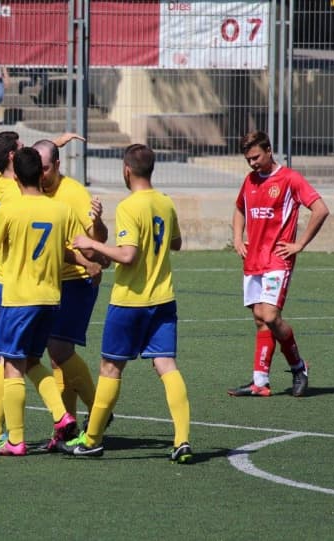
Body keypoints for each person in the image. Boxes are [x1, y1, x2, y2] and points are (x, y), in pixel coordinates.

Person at [60, 143, 193, 464]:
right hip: (163, 299)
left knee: (110, 368)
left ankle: (92, 440)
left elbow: (128, 255)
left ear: (127, 170)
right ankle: (182, 439)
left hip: (130, 302)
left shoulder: (130, 206)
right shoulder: (165, 202)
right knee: (166, 365)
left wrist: (91, 243)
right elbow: (175, 242)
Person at [0, 131, 88, 451]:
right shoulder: (60, 209)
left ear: (15, 171)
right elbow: (71, 247)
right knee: (33, 359)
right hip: (51, 297)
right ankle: (60, 415)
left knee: (8, 364)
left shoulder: (5, 201)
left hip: (14, 294)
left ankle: (9, 437)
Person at [227, 131, 329, 398]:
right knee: (260, 319)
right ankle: (260, 382)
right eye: (248, 159)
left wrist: (300, 244)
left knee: (271, 316)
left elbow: (320, 209)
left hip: (278, 261)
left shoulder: (290, 179)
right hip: (253, 261)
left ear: (269, 150)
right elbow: (239, 208)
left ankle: (298, 367)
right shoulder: (249, 181)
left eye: (256, 157)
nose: (252, 163)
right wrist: (238, 238)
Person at [33, 139, 108, 435]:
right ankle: (66, 428)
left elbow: (97, 239)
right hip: (48, 282)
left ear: (58, 166)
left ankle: (99, 409)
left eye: (46, 169)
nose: (41, 175)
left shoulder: (74, 193)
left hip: (77, 279)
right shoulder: (32, 189)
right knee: (55, 357)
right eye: (37, 169)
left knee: (58, 349)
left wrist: (98, 221)